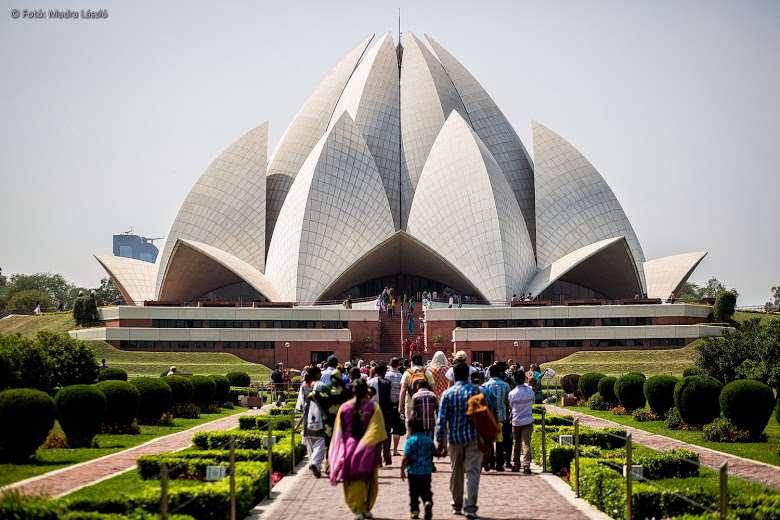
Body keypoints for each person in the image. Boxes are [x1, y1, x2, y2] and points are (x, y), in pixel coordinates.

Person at [329, 378, 387, 520]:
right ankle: (366, 508)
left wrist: (335, 456)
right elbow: (378, 431)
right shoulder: (373, 407)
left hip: (349, 449)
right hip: (367, 449)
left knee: (351, 480)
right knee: (369, 480)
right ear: (366, 390)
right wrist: (383, 451)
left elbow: (338, 433)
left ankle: (357, 509)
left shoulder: (344, 408)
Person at [436, 363, 482, 519]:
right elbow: (482, 418)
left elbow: (441, 420)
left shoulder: (448, 394)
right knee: (472, 472)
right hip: (473, 437)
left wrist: (440, 441)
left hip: (454, 438)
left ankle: (456, 504)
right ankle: (470, 507)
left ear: (454, 376)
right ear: (468, 375)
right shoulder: (475, 391)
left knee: (456, 471)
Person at [401, 419, 435, 520]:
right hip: (426, 471)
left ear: (411, 429)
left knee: (413, 492)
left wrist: (402, 469)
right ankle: (427, 502)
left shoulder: (410, 441)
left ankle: (414, 511)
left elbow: (406, 457)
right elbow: (434, 451)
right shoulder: (428, 440)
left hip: (413, 472)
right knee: (426, 490)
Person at [296, 366, 326, 477]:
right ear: (317, 374)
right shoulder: (320, 385)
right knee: (320, 440)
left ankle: (313, 462)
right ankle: (315, 463)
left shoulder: (303, 386)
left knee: (309, 441)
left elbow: (301, 403)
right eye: (320, 373)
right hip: (319, 415)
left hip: (307, 414)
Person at [481, 364, 511, 471]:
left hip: (489, 418)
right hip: (502, 417)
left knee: (489, 441)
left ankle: (490, 462)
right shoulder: (506, 385)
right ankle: (499, 463)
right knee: (500, 441)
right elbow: (508, 402)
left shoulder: (485, 386)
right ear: (499, 373)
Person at [508, 369, 534, 474]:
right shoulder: (530, 391)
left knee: (516, 444)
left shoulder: (512, 393)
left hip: (516, 420)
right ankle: (526, 465)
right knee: (526, 444)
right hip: (527, 420)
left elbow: (510, 406)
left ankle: (516, 464)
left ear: (514, 379)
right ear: (524, 378)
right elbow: (533, 400)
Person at [367, 361, 394, 465]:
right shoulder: (387, 383)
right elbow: (391, 398)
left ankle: (377, 457)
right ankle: (386, 455)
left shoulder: (369, 382)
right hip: (385, 411)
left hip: (372, 411)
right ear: (383, 372)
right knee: (386, 433)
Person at [399, 354, 435, 429]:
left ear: (412, 362)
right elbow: (434, 388)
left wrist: (401, 405)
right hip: (424, 403)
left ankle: (411, 440)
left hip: (410, 403)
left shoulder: (407, 373)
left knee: (410, 427)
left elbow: (403, 390)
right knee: (424, 427)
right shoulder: (426, 372)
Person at [385, 357, 406, 456]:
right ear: (398, 365)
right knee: (397, 428)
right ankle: (395, 450)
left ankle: (387, 449)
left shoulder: (386, 376)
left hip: (388, 405)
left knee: (387, 428)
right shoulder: (401, 376)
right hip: (398, 404)